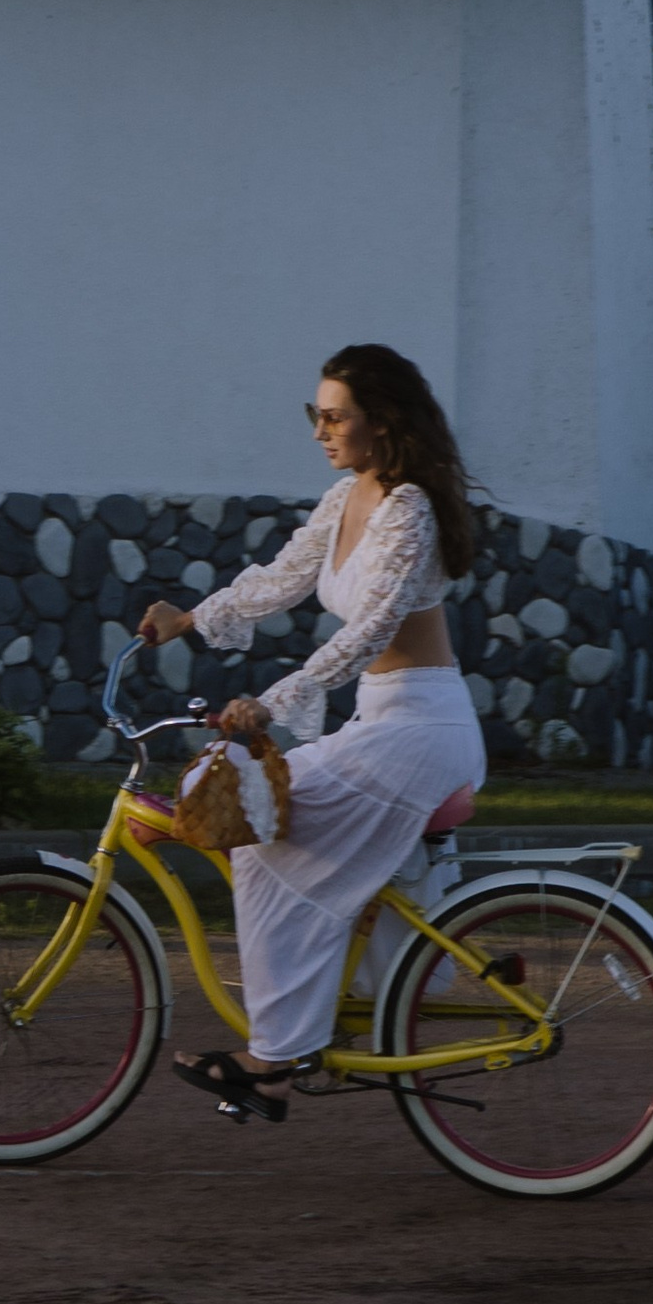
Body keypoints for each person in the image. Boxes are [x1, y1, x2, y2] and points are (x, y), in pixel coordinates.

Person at [138, 341, 486, 1126]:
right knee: (259, 818)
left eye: (334, 417)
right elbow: (280, 578)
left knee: (264, 836)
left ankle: (273, 1060)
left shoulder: (409, 510)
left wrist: (278, 696)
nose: (320, 431)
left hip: (423, 730)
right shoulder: (346, 500)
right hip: (385, 723)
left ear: (382, 423)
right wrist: (192, 617)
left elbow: (370, 630)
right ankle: (305, 1019)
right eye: (315, 415)